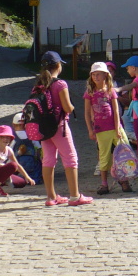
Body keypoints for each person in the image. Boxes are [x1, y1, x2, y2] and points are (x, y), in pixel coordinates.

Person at [34, 50, 92, 206]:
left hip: (43, 128)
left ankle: (51, 197)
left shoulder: (39, 84)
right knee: (70, 158)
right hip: (59, 126)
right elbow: (67, 108)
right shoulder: (60, 84)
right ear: (59, 65)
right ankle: (75, 196)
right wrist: (72, 106)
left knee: (48, 160)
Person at [84, 61, 121, 195]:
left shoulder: (110, 90)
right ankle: (104, 183)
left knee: (122, 153)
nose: (96, 77)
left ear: (105, 75)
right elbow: (87, 112)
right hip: (101, 129)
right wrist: (90, 129)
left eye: (98, 74)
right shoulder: (90, 92)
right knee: (104, 157)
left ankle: (124, 179)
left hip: (115, 128)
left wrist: (117, 128)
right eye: (93, 75)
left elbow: (116, 110)